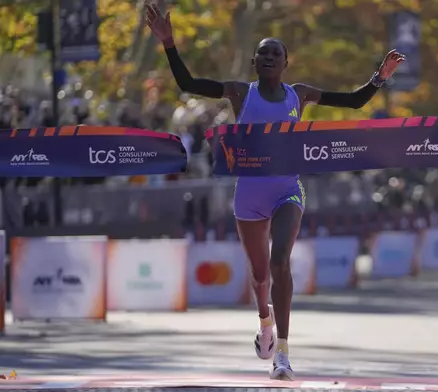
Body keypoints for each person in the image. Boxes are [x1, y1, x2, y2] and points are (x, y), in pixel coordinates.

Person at [146, 0, 406, 380]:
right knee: (260, 276)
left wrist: (380, 77)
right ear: (255, 62)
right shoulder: (239, 93)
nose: (269, 57)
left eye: (276, 53)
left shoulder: (298, 95)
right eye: (263, 53)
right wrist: (169, 43)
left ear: (286, 63)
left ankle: (282, 353)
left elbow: (353, 101)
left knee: (280, 261)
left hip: (287, 191)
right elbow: (188, 84)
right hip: (249, 194)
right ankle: (264, 323)